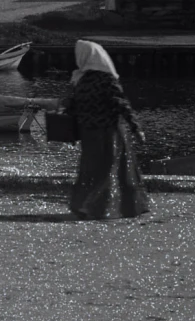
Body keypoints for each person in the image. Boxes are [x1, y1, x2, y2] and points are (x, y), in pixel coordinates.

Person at [63, 40, 148, 220]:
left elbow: (71, 108)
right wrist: (136, 128)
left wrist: (71, 132)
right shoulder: (106, 79)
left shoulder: (79, 80)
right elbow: (121, 104)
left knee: (90, 170)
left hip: (88, 133)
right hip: (109, 132)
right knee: (115, 170)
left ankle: (83, 204)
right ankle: (114, 207)